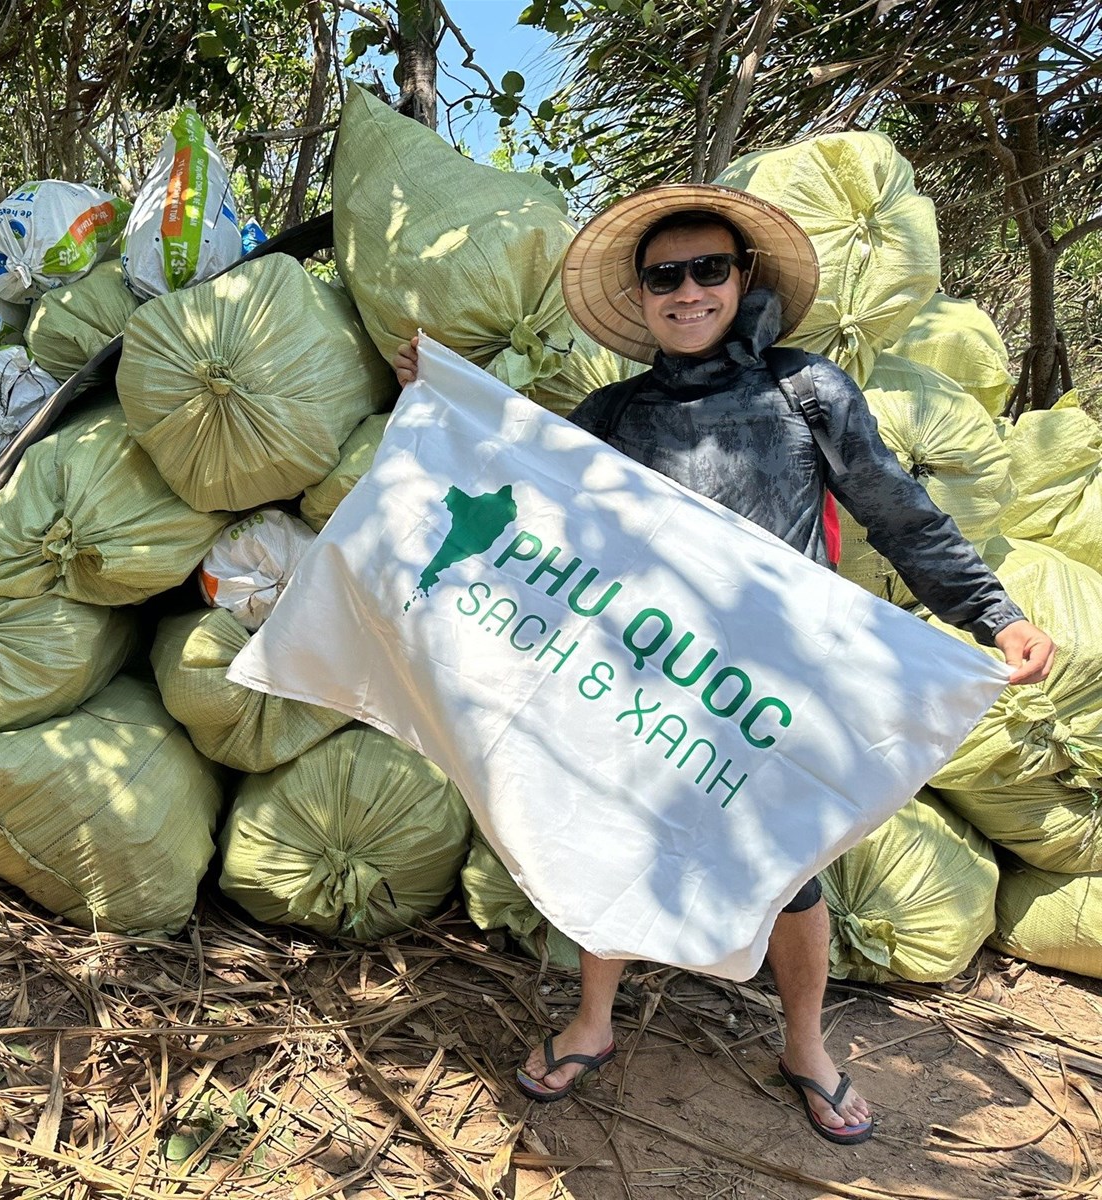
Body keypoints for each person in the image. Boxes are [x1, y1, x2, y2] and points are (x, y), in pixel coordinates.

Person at [392, 183, 1055, 1145]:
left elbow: (896, 510)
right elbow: (525, 495)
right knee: (613, 839)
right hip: (644, 675)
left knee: (790, 870)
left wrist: (992, 612)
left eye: (711, 270)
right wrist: (443, 400)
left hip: (769, 693)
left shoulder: (805, 391)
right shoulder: (614, 412)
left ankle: (805, 1045)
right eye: (666, 276)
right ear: (644, 295)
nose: (689, 292)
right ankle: (592, 1022)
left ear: (745, 282)